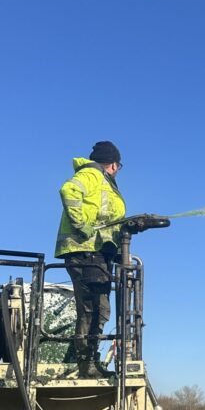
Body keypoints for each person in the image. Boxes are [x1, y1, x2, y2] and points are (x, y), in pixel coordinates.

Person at [55, 141, 126, 378]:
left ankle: (90, 361)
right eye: (119, 165)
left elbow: (107, 220)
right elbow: (68, 190)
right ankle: (87, 365)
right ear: (114, 164)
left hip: (96, 253)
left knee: (100, 309)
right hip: (84, 251)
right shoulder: (92, 174)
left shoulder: (103, 181)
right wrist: (81, 225)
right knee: (92, 308)